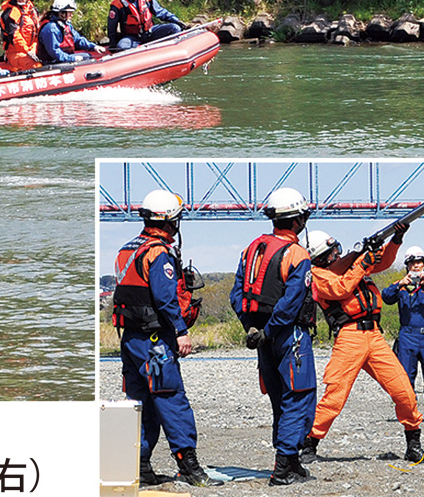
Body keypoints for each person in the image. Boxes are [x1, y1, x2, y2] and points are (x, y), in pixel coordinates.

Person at [300, 223, 424, 464]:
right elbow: (340, 288)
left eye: (337, 250)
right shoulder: (317, 276)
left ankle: (413, 444)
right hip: (349, 337)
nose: (337, 254)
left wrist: (395, 239)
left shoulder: (351, 266)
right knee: (335, 396)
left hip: (375, 336)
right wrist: (362, 262)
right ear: (321, 257)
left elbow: (384, 261)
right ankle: (309, 445)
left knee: (404, 391)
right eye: (332, 252)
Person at [111, 190, 211, 487]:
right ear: (170, 221)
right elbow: (166, 298)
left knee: (139, 404)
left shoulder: (126, 250)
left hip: (130, 340)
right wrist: (181, 331)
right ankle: (189, 466)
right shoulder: (158, 253)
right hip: (155, 343)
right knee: (170, 398)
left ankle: (139, 467)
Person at [230, 187, 317, 486]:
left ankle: (291, 463)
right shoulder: (297, 254)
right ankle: (283, 469)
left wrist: (252, 328)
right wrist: (270, 331)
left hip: (262, 337)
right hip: (289, 336)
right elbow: (291, 303)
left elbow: (237, 294)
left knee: (279, 399)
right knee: (299, 397)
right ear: (297, 220)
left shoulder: (251, 249)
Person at [382, 245, 424, 421]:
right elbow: (386, 297)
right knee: (406, 376)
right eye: (412, 263)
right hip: (407, 336)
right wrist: (399, 284)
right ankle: (409, 411)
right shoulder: (401, 286)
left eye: (419, 262)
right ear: (407, 266)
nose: (416, 266)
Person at [37, 0, 106, 64]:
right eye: (69, 12)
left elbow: (78, 40)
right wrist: (72, 58)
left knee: (87, 56)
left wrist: (94, 47)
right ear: (61, 13)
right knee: (86, 57)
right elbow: (54, 52)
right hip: (52, 62)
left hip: (64, 58)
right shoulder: (51, 28)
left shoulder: (66, 25)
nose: (71, 15)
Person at [0, 0, 40, 71]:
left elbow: (37, 34)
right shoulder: (11, 12)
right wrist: (28, 51)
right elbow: (14, 36)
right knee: (34, 65)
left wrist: (33, 49)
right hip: (15, 53)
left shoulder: (33, 11)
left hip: (31, 50)